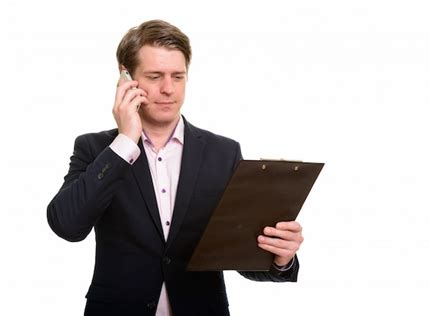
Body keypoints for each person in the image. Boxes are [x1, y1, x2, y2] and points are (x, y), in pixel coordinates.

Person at [47, 19, 304, 316]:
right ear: (126, 76)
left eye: (178, 77)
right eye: (155, 76)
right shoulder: (95, 149)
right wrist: (125, 142)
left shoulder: (224, 152)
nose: (168, 89)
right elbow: (66, 225)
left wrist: (280, 257)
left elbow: (238, 255)